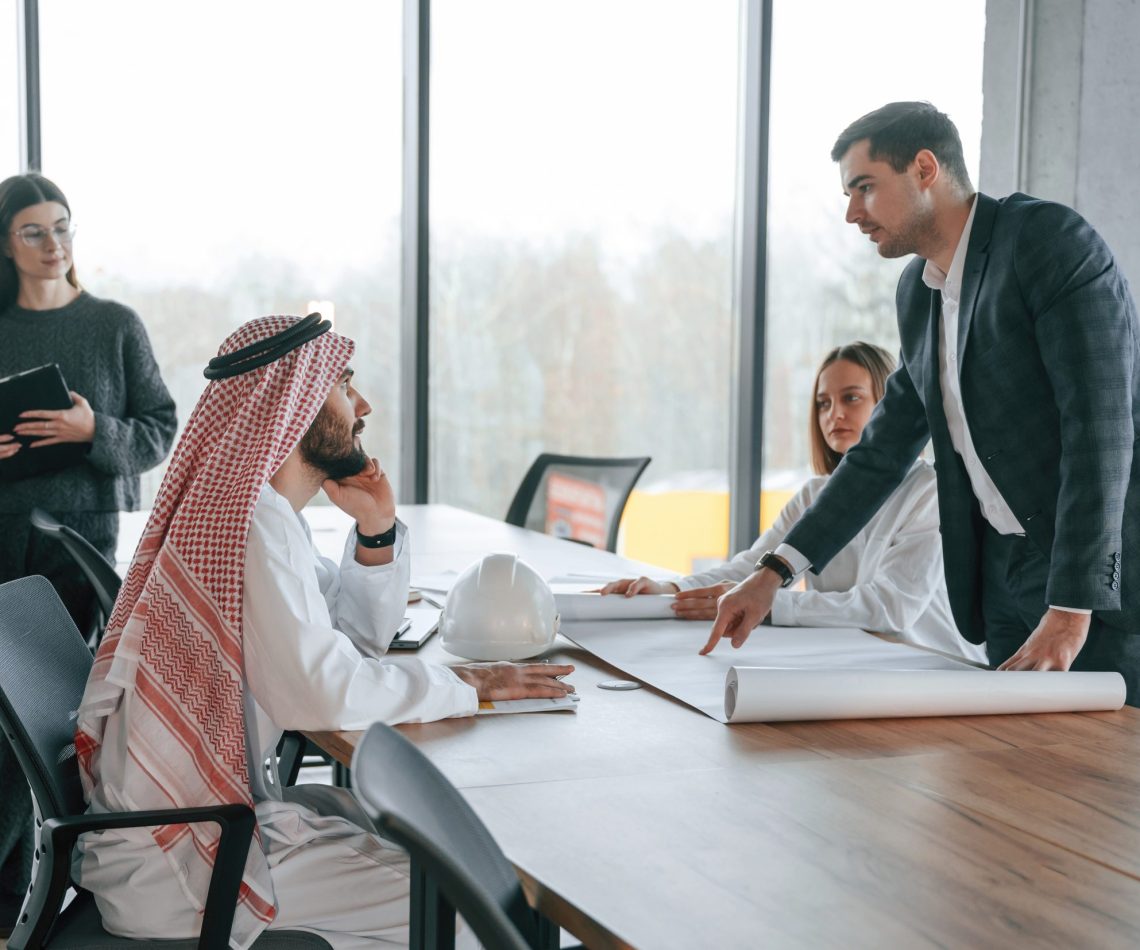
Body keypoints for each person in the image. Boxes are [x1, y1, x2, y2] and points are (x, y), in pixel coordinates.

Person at [74, 314, 575, 948]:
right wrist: (468, 685)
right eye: (342, 385)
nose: (363, 406)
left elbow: (348, 647)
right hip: (188, 858)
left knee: (458, 854)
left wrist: (376, 530)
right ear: (294, 401)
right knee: (478, 910)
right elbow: (324, 692)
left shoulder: (259, 516)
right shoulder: (252, 527)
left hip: (202, 828)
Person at [704, 102, 1140, 705]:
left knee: (1107, 759)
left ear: (925, 169)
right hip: (1000, 578)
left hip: (1088, 586)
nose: (852, 213)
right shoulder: (919, 290)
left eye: (864, 187)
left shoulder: (1046, 242)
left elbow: (1100, 431)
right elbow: (879, 454)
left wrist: (1070, 608)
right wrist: (772, 574)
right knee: (1008, 757)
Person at [0, 173, 175, 935]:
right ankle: (19, 900)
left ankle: (28, 898)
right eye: (34, 230)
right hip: (1, 538)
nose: (54, 243)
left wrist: (92, 430)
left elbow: (160, 431)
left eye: (63, 226)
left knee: (48, 727)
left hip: (83, 547)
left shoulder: (114, 324)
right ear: (6, 244)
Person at [601, 342, 984, 662]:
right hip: (853, 663)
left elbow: (890, 608)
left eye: (851, 398)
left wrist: (771, 604)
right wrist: (670, 589)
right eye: (823, 403)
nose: (834, 414)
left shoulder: (929, 490)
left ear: (889, 406)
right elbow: (752, 568)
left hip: (932, 670)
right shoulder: (815, 495)